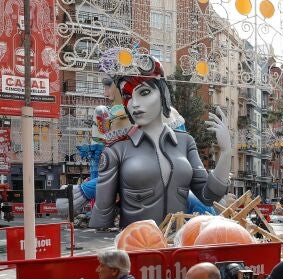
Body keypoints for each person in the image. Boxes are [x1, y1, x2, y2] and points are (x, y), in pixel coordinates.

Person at [89, 55, 232, 229]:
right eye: (128, 96)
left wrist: (226, 152)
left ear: (163, 92)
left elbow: (209, 196)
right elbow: (102, 216)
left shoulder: (185, 142)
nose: (134, 104)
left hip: (177, 244)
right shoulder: (116, 150)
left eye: (144, 92)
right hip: (137, 246)